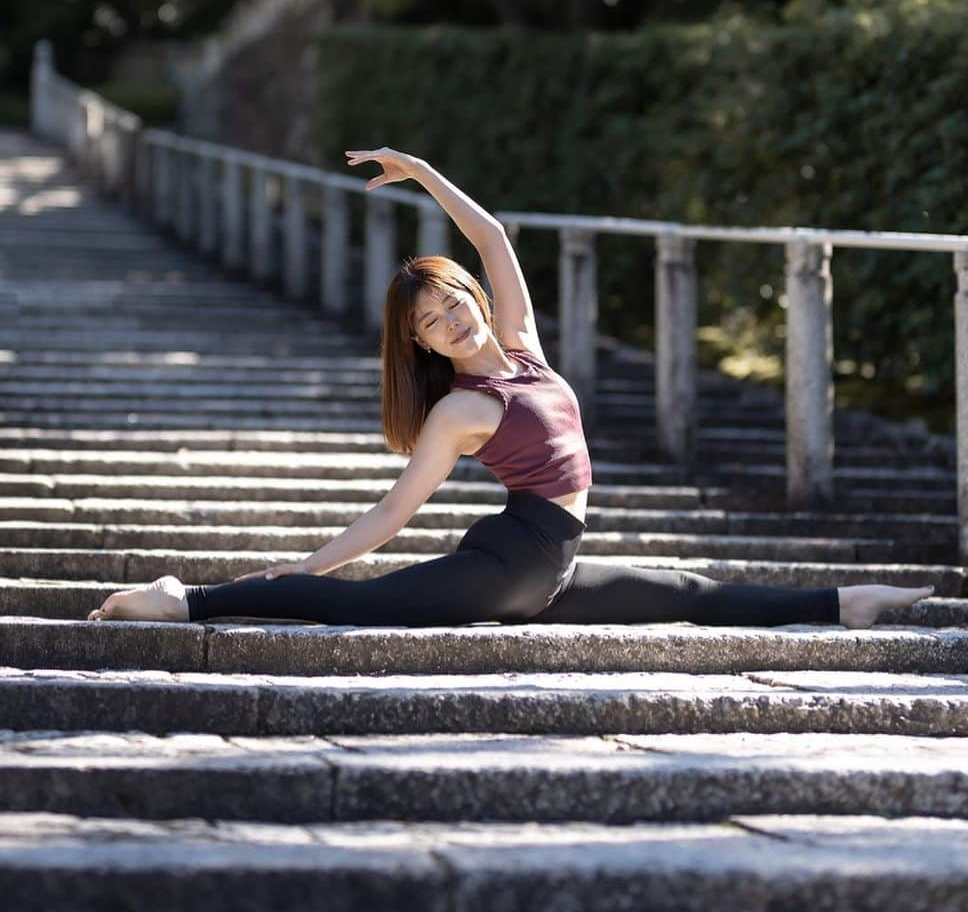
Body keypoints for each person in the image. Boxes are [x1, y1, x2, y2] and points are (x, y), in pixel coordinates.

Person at [87, 147, 935, 631]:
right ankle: (185, 598)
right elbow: (392, 515)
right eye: (429, 325)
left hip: (553, 567)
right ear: (420, 343)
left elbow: (490, 234)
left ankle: (846, 599)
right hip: (513, 565)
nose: (448, 322)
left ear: (473, 299)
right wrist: (304, 563)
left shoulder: (523, 344)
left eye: (451, 303)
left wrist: (420, 172)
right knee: (369, 606)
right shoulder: (460, 407)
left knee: (689, 591)